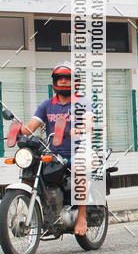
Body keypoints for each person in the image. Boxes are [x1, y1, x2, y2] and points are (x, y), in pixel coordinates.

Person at [22, 63, 93, 238]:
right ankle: (45, 211)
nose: (62, 81)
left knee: (78, 167)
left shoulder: (82, 102)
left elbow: (89, 122)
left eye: (66, 78)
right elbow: (31, 126)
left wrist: (80, 128)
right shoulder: (46, 105)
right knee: (30, 167)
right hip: (53, 153)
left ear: (75, 81)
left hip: (78, 151)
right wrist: (18, 131)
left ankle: (82, 216)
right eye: (59, 78)